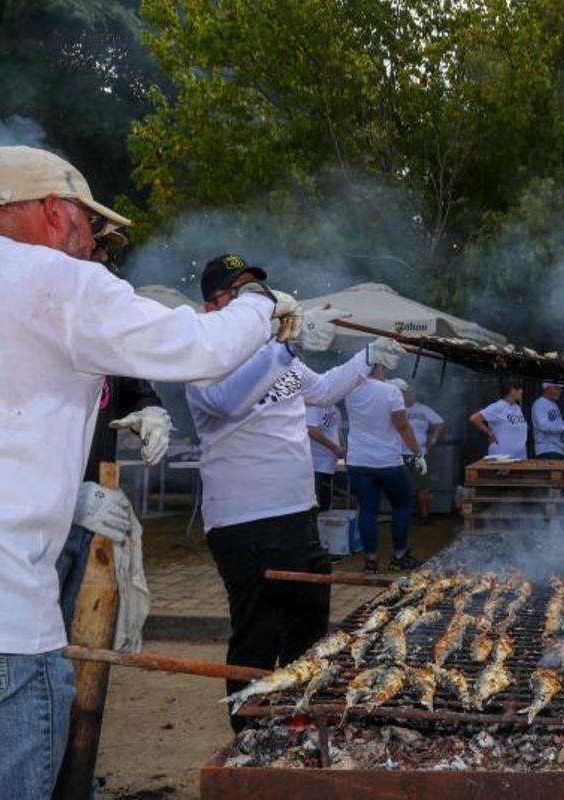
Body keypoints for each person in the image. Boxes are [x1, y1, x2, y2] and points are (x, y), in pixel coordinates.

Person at [0, 145, 299, 797]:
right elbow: (200, 349)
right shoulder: (49, 279)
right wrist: (261, 304)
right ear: (52, 209)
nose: (94, 245)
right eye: (90, 228)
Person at [185, 253, 366, 731]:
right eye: (240, 294)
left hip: (297, 512)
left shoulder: (278, 354)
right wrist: (285, 347)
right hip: (244, 521)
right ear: (213, 307)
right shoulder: (204, 358)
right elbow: (227, 402)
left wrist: (369, 359)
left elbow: (325, 389)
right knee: (257, 634)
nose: (255, 305)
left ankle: (295, 721)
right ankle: (248, 736)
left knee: (309, 625)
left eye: (256, 294)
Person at [57, 376, 171, 634]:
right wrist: (63, 495)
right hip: (27, 532)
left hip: (92, 515)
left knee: (68, 637)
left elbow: (137, 393)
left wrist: (150, 412)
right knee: (26, 640)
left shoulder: (103, 344)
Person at [345, 348, 426, 573]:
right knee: (401, 504)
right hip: (387, 461)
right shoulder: (391, 391)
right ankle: (398, 556)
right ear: (380, 366)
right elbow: (402, 425)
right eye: (386, 365)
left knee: (368, 509)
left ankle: (370, 561)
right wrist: (417, 452)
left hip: (358, 461)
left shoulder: (350, 389)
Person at [390, 379, 445, 518]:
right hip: (398, 454)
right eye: (406, 393)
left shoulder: (423, 409)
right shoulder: (396, 410)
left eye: (411, 393)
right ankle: (401, 514)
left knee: (423, 485)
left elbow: (440, 423)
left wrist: (432, 440)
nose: (409, 395)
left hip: (419, 454)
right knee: (400, 486)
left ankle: (424, 515)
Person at [469, 379, 528, 459]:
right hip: (501, 458)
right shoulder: (499, 406)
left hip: (519, 457)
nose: (522, 391)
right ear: (512, 390)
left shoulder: (517, 408)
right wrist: (489, 433)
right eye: (520, 389)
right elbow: (475, 418)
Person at [306, 404, 344, 511]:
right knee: (316, 503)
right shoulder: (313, 407)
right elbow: (312, 430)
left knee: (325, 500)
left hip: (328, 465)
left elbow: (337, 431)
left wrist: (342, 449)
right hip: (315, 464)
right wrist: (335, 448)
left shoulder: (334, 408)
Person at [531, 382, 564, 460]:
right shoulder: (539, 403)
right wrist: (563, 427)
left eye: (561, 389)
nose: (559, 391)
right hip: (546, 450)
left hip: (558, 449)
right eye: (557, 388)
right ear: (546, 387)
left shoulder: (554, 404)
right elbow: (542, 425)